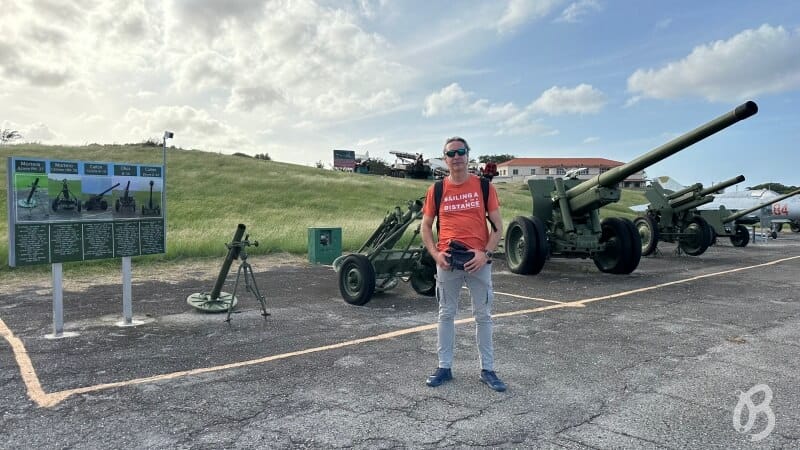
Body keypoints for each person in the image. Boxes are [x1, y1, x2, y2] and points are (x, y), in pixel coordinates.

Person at [420, 136, 506, 392]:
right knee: (446, 314)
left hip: (478, 260)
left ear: (468, 155)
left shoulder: (484, 187)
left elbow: (498, 227)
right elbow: (425, 226)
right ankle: (444, 367)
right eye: (451, 153)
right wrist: (436, 255)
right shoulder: (436, 190)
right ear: (445, 159)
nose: (456, 157)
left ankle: (487, 370)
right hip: (447, 262)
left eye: (461, 152)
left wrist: (485, 254)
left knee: (483, 316)